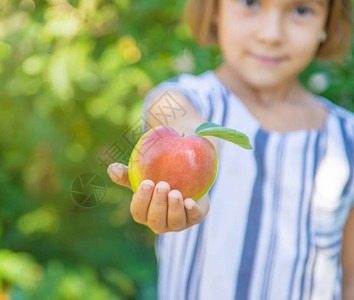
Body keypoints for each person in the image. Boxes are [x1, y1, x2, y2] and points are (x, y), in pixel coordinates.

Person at [107, 0, 354, 298]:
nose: (270, 34)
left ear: (327, 23)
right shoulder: (185, 100)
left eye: (301, 10)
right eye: (250, 2)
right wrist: (199, 164)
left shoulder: (346, 138)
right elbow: (179, 120)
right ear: (215, 10)